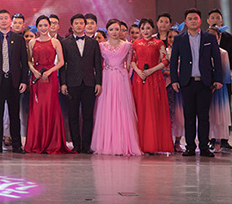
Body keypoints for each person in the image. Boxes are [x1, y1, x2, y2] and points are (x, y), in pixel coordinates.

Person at [170, 8, 223, 157]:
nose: (193, 21)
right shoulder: (179, 39)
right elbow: (173, 61)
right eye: (190, 19)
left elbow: (217, 59)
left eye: (195, 18)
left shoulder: (209, 37)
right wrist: (174, 80)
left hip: (205, 82)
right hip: (187, 82)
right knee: (189, 115)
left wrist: (218, 79)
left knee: (204, 116)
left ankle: (204, 147)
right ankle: (190, 147)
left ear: (200, 20)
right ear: (185, 22)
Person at [91, 20, 142, 156]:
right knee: (106, 109)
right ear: (107, 30)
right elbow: (98, 65)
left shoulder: (127, 46)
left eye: (117, 29)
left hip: (121, 79)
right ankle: (106, 144)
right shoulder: (101, 46)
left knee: (122, 109)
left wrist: (125, 77)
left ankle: (124, 143)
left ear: (121, 31)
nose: (114, 32)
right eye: (111, 29)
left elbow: (129, 65)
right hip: (107, 78)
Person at [25, 16, 73, 154]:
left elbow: (61, 62)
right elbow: (28, 60)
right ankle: (37, 142)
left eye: (46, 25)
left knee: (50, 108)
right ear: (37, 27)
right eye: (41, 25)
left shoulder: (55, 42)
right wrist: (34, 71)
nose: (44, 28)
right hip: (37, 79)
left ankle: (52, 142)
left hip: (50, 79)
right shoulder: (32, 42)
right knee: (37, 109)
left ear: (50, 26)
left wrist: (50, 71)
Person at [0, 9, 28, 154]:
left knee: (14, 114)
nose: (3, 21)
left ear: (11, 21)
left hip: (14, 82)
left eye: (6, 18)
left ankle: (17, 145)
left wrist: (24, 81)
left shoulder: (19, 39)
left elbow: (24, 62)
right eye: (0, 18)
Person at [58, 13, 102, 154]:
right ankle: (76, 145)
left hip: (89, 83)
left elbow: (97, 64)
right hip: (72, 83)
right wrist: (63, 83)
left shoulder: (93, 43)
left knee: (88, 115)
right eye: (76, 23)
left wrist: (98, 82)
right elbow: (62, 66)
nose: (79, 25)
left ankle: (86, 146)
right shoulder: (65, 43)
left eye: (81, 23)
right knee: (73, 115)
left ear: (85, 25)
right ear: (72, 26)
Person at [131, 18, 173, 154]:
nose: (145, 31)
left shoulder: (158, 43)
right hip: (139, 80)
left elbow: (166, 61)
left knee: (153, 109)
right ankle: (140, 144)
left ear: (153, 29)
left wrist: (151, 70)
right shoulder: (135, 44)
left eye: (148, 28)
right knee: (140, 109)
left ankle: (153, 144)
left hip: (155, 79)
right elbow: (132, 60)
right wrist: (138, 72)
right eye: (142, 28)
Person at [207, 9, 232, 150]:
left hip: (223, 81)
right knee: (209, 111)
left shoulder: (229, 38)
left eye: (217, 17)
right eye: (212, 17)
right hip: (208, 82)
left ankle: (224, 139)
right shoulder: (204, 38)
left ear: (222, 20)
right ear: (208, 21)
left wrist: (231, 71)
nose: (215, 20)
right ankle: (211, 139)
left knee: (223, 110)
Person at [206, 27, 231, 153]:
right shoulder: (202, 51)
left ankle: (218, 142)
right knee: (207, 115)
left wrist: (217, 84)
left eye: (214, 36)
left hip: (219, 89)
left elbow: (226, 73)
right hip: (205, 87)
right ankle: (207, 140)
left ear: (218, 37)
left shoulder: (223, 53)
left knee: (219, 116)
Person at [164, 28, 185, 151]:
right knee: (168, 114)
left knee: (180, 115)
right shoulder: (164, 51)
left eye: (175, 37)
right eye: (170, 37)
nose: (172, 39)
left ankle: (177, 141)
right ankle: (167, 140)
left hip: (181, 86)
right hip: (167, 85)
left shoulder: (184, 51)